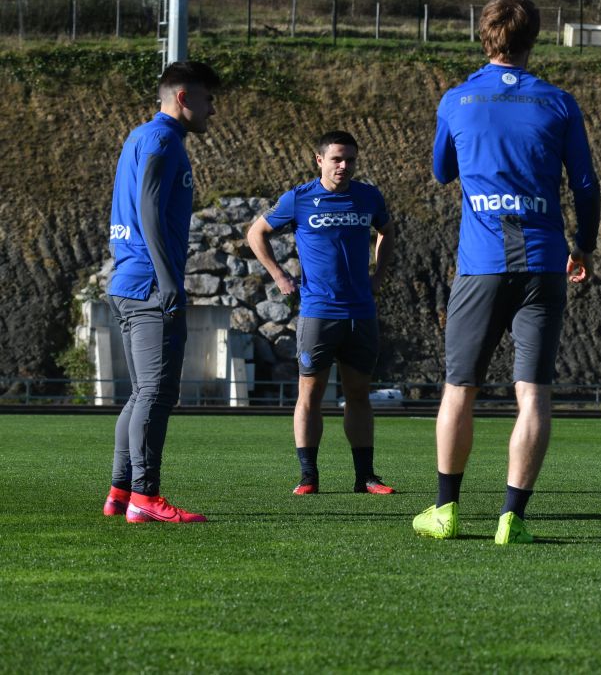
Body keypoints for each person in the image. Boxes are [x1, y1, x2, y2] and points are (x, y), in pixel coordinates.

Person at [413, 0, 600, 545]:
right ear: (534, 38)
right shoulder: (559, 102)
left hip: (482, 265)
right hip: (544, 263)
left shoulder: (458, 99)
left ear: (484, 36)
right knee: (533, 393)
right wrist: (584, 247)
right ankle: (511, 519)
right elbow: (586, 186)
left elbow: (441, 171)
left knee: (459, 388)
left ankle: (445, 511)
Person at [247, 131, 397, 496]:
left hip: (360, 312)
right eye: (336, 159)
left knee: (358, 394)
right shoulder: (299, 199)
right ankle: (308, 476)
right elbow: (256, 233)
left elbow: (387, 231)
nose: (344, 166)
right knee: (310, 395)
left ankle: (366, 477)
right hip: (319, 312)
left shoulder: (368, 196)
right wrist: (279, 275)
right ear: (319, 160)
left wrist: (379, 274)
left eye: (350, 159)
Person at [102, 61, 219, 524]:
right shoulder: (163, 140)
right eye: (208, 99)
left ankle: (121, 491)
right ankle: (144, 497)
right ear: (184, 98)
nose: (213, 109)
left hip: (130, 281)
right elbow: (149, 208)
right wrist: (168, 279)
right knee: (155, 393)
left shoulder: (141, 135)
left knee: (140, 394)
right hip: (150, 285)